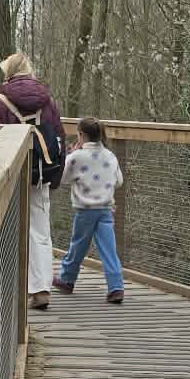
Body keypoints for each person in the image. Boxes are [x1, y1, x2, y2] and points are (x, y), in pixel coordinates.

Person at [0, 52, 63, 310]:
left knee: (6, 230)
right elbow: (60, 138)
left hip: (11, 174)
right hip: (40, 173)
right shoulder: (48, 101)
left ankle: (7, 288)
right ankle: (41, 289)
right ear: (29, 71)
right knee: (40, 231)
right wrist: (55, 176)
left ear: (8, 72)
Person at [53, 118, 124, 304]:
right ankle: (116, 287)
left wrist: (70, 155)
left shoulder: (78, 156)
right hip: (106, 209)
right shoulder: (110, 155)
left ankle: (67, 280)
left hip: (85, 210)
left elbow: (62, 178)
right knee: (109, 248)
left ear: (81, 135)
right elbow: (119, 181)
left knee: (78, 246)